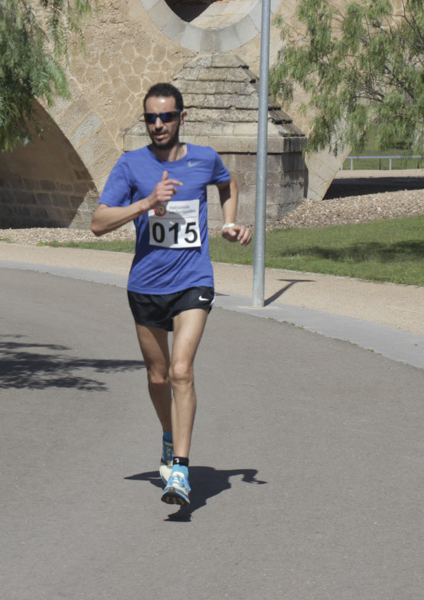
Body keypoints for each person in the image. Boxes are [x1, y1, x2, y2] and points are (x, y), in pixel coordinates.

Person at [91, 83, 253, 507]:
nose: (158, 125)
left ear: (182, 117)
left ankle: (179, 469)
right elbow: (98, 222)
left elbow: (227, 182)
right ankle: (168, 435)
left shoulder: (204, 157)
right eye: (150, 118)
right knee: (158, 377)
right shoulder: (131, 165)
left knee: (182, 371)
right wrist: (145, 202)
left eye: (165, 117)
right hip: (145, 286)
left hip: (192, 281)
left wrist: (229, 221)